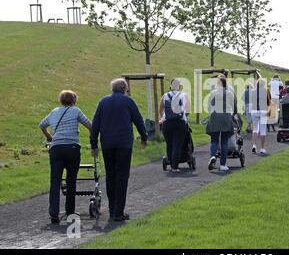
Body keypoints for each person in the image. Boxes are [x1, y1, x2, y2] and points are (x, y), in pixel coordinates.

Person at [90, 79, 148, 222]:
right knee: (122, 177)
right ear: (124, 89)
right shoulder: (128, 101)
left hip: (107, 143)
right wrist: (144, 137)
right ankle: (118, 212)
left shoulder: (103, 102)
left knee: (111, 176)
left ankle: (111, 209)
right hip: (124, 143)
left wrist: (93, 144)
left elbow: (95, 123)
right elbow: (138, 120)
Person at [39, 90, 92, 224]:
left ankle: (54, 214)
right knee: (71, 180)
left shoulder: (54, 112)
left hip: (56, 148)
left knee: (55, 181)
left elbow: (42, 125)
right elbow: (89, 125)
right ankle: (70, 212)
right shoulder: (76, 111)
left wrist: (49, 137)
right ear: (74, 100)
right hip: (72, 148)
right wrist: (94, 137)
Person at [159, 78, 190, 172]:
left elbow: (160, 110)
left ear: (170, 86)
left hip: (167, 123)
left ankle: (170, 161)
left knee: (169, 144)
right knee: (177, 144)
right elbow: (188, 110)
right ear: (180, 87)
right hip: (180, 123)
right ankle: (174, 166)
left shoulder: (165, 96)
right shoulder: (184, 95)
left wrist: (163, 118)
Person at [206, 75, 236, 171]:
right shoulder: (230, 94)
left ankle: (212, 156)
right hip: (226, 117)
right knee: (224, 142)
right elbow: (234, 108)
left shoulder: (213, 93)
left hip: (215, 117)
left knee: (214, 140)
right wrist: (233, 115)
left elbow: (208, 107)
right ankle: (223, 165)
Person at [250, 78, 272, 155]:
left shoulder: (253, 91)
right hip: (263, 111)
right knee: (263, 130)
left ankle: (254, 145)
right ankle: (262, 148)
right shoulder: (266, 90)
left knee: (255, 129)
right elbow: (269, 101)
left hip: (254, 110)